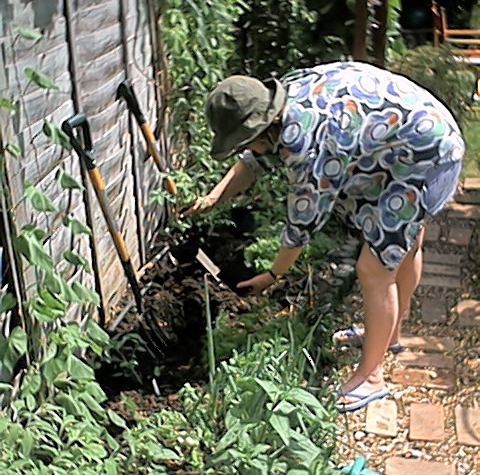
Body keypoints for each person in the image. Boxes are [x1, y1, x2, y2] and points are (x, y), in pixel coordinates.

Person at [185, 61, 465, 412]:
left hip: (425, 156)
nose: (250, 148)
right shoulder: (282, 99)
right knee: (406, 247)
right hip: (420, 132)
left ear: (264, 129)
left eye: (248, 141)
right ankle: (388, 336)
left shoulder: (305, 144)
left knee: (374, 270)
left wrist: (273, 274)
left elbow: (302, 226)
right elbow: (252, 161)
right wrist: (214, 197)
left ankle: (372, 377)